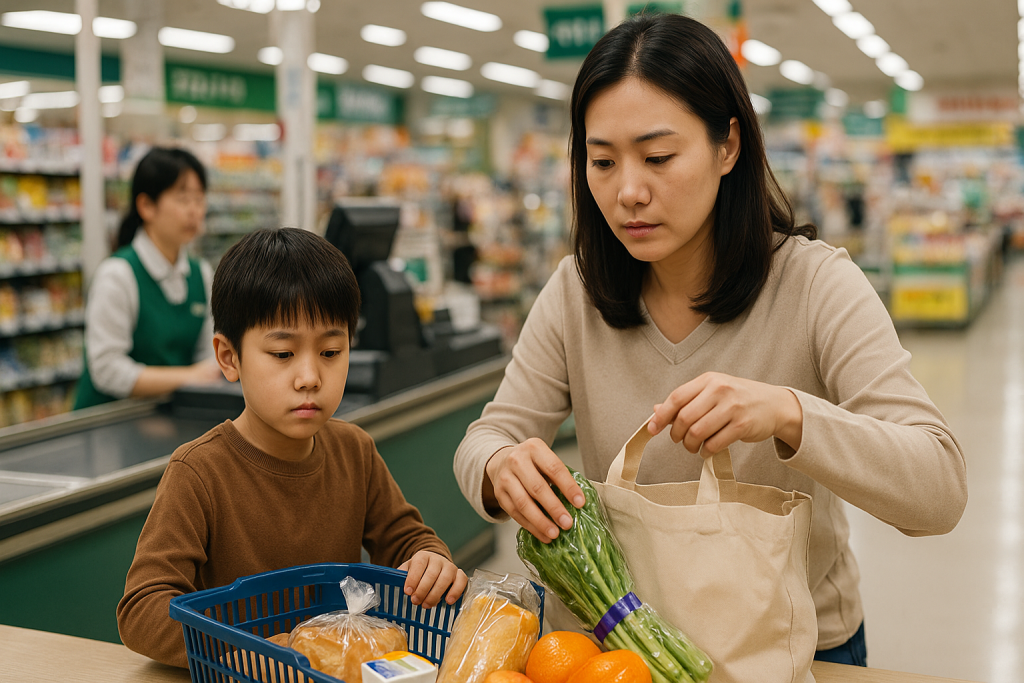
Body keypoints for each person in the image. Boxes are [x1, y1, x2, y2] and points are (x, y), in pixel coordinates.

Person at [454, 13, 967, 668]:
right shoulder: (576, 290)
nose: (628, 191)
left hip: (792, 648)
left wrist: (790, 413)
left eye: (659, 157)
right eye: (602, 161)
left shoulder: (815, 285)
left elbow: (940, 486)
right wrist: (501, 469)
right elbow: (485, 437)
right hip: (610, 654)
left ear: (728, 146)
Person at [117, 228, 468, 667]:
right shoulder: (199, 472)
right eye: (283, 354)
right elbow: (141, 609)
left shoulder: (353, 451)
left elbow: (406, 540)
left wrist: (429, 560)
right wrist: (246, 649)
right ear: (228, 357)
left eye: (331, 351)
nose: (310, 377)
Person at [74, 147, 222, 410]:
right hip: (108, 422)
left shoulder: (201, 273)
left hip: (167, 416)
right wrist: (189, 377)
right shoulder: (118, 275)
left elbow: (207, 354)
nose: (194, 211)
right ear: (146, 206)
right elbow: (107, 369)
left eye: (199, 199)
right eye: (182, 199)